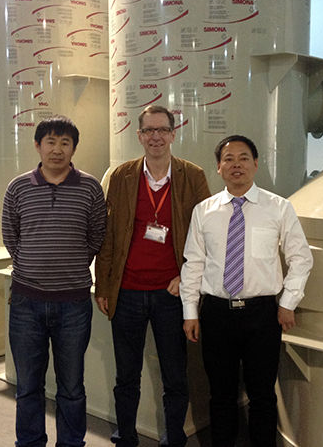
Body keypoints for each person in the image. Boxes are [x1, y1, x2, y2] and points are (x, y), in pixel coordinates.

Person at [180, 135, 313, 447]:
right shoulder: (204, 211)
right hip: (216, 313)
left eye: (243, 158)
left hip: (262, 314)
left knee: (262, 395)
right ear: (219, 167)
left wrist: (288, 302)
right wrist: (190, 312)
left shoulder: (278, 208)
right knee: (221, 394)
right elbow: (193, 263)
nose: (236, 164)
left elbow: (301, 258)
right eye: (228, 159)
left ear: (255, 164)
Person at [94, 105, 211, 447]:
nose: (155, 136)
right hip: (127, 291)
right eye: (148, 130)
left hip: (171, 295)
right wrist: (103, 285)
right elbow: (108, 235)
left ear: (173, 134)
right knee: (126, 375)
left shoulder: (193, 176)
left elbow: (209, 234)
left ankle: (174, 438)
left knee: (174, 376)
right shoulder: (122, 176)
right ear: (139, 135)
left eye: (162, 130)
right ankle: (126, 437)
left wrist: (187, 276)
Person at [2, 115, 107, 447]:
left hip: (73, 304)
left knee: (72, 386)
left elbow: (97, 236)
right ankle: (30, 442)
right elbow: (10, 235)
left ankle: (71, 443)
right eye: (50, 142)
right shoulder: (18, 187)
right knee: (27, 386)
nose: (57, 149)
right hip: (25, 302)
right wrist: (32, 265)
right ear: (38, 146)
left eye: (65, 143)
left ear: (74, 148)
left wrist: (71, 265)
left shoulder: (90, 187)